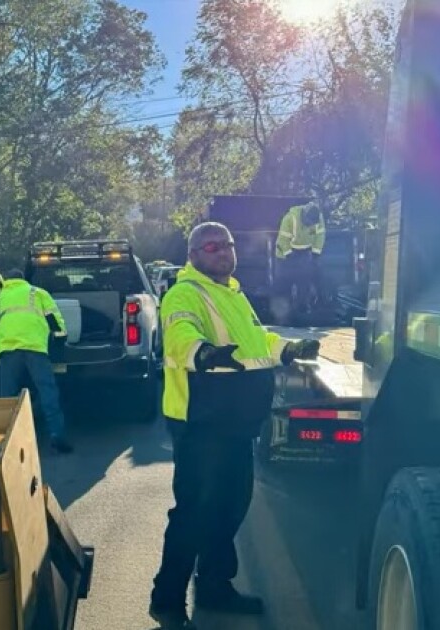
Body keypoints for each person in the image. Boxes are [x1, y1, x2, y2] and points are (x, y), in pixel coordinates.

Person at [149, 222, 319, 629]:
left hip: (236, 425)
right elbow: (179, 336)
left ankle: (214, 586)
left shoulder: (233, 294)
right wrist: (203, 354)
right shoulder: (184, 293)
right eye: (212, 246)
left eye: (227, 244)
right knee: (194, 510)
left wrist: (288, 349)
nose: (223, 251)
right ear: (193, 255)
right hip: (202, 423)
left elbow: (255, 340)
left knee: (231, 507)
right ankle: (167, 600)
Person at [0, 268, 73, 454]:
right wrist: (59, 341)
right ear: (24, 280)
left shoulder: (1, 295)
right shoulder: (38, 293)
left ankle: (6, 442)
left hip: (9, 349)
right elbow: (55, 321)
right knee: (47, 391)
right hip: (35, 349)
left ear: (9, 281)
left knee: (8, 398)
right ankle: (57, 435)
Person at [275, 200, 327, 313]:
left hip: (304, 252)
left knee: (304, 281)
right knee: (284, 283)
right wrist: (289, 256)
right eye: (308, 222)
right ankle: (283, 311)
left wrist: (316, 254)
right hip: (285, 254)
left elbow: (320, 236)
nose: (310, 225)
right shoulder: (290, 219)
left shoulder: (317, 219)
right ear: (304, 216)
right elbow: (283, 240)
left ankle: (302, 308)